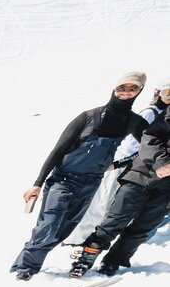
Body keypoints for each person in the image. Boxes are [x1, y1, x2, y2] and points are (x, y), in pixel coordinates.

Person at [10, 72, 149, 279]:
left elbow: (150, 147)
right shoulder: (89, 117)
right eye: (122, 88)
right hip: (63, 179)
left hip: (91, 182)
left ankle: (24, 266)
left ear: (140, 91)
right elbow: (58, 150)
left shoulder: (134, 122)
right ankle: (25, 269)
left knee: (64, 230)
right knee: (49, 225)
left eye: (133, 88)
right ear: (114, 88)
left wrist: (119, 163)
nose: (126, 92)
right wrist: (38, 183)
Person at [68, 98, 170, 276]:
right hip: (141, 175)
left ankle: (113, 261)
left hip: (166, 190)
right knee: (115, 220)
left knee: (142, 228)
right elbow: (150, 137)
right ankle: (86, 258)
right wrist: (161, 163)